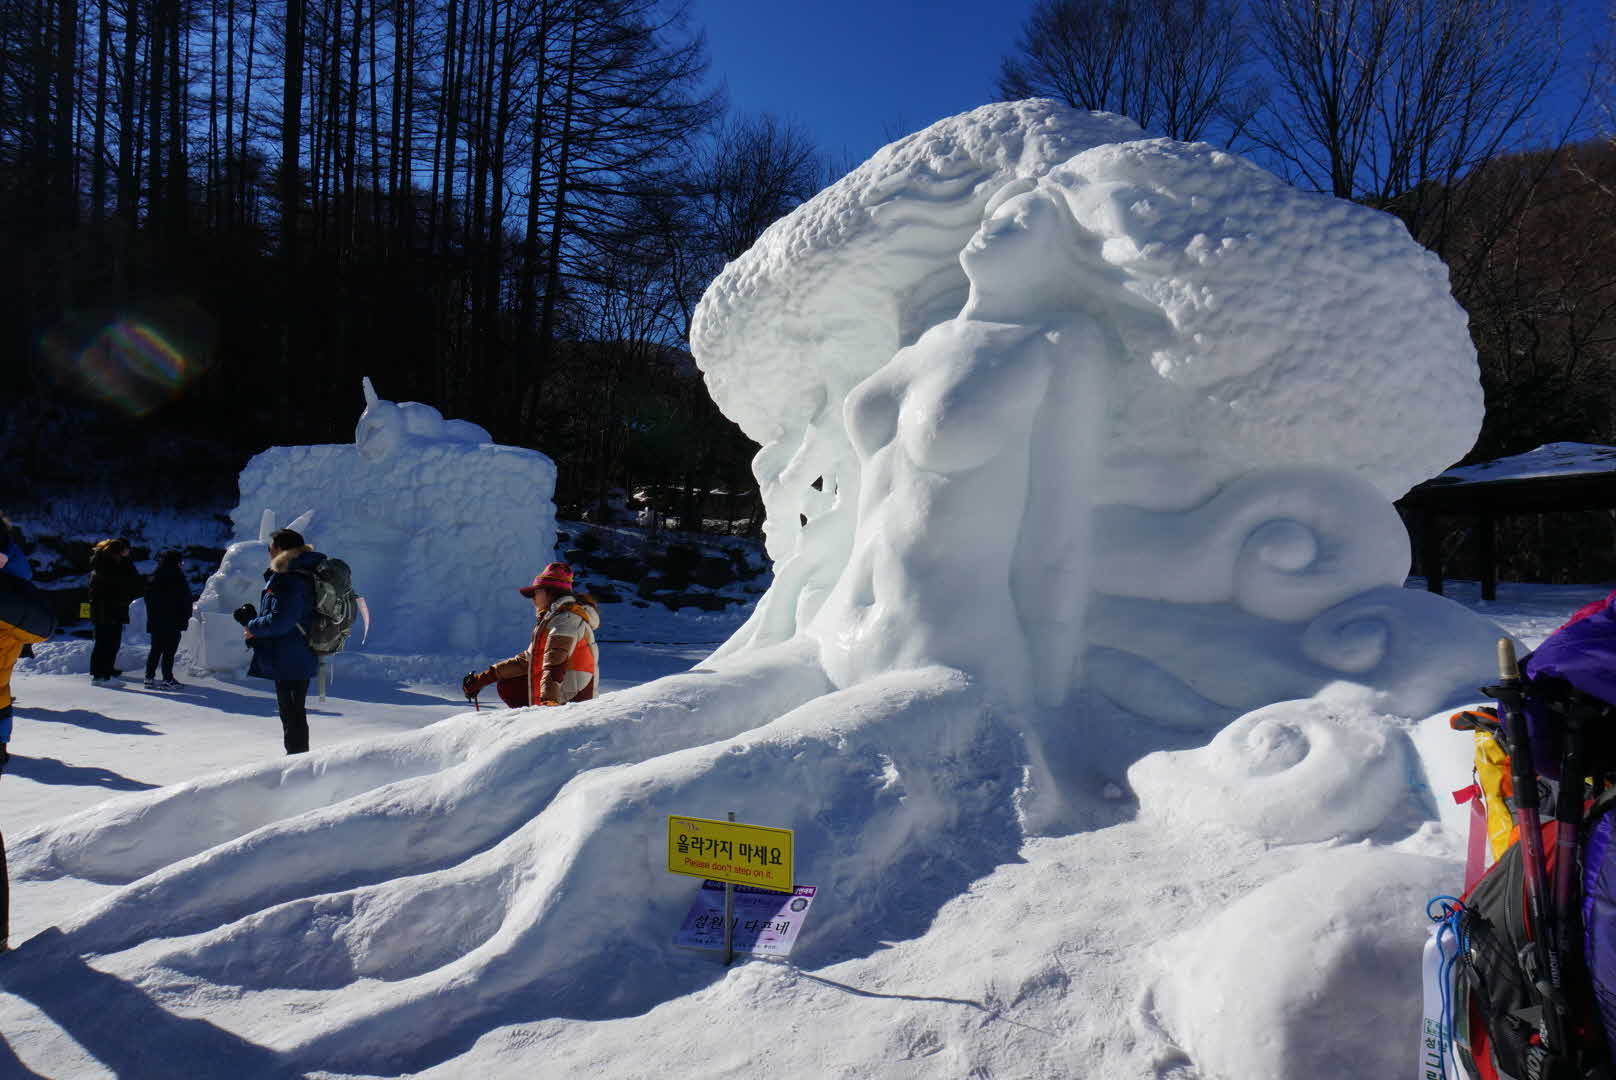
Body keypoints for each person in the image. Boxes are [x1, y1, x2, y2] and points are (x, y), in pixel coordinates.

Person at [462, 562, 600, 708]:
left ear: (550, 592)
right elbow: (527, 660)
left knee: (512, 686)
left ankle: (537, 716)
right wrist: (482, 679)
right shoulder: (553, 619)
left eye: (536, 592)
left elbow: (555, 665)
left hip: (573, 702)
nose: (533, 598)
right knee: (509, 684)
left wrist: (548, 705)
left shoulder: (566, 620)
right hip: (562, 693)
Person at [239, 529, 322, 754]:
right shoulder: (301, 571)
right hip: (297, 650)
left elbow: (281, 621)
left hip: (291, 653)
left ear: (279, 550)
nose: (268, 552)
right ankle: (297, 757)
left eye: (270, 548)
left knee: (292, 712)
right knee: (292, 711)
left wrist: (252, 626)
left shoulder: (290, 577)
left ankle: (297, 760)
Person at [88, 537, 144, 685]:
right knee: (110, 643)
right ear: (120, 551)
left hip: (101, 609)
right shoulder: (114, 567)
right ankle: (104, 676)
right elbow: (128, 585)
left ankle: (99, 673)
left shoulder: (100, 564)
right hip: (111, 609)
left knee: (102, 642)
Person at [144, 550, 193, 689]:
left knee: (155, 649)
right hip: (173, 620)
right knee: (169, 651)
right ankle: (167, 679)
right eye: (181, 562)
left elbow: (148, 598)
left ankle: (149, 677)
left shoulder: (154, 576)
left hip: (155, 619)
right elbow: (184, 599)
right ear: (176, 562)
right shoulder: (177, 578)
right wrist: (185, 617)